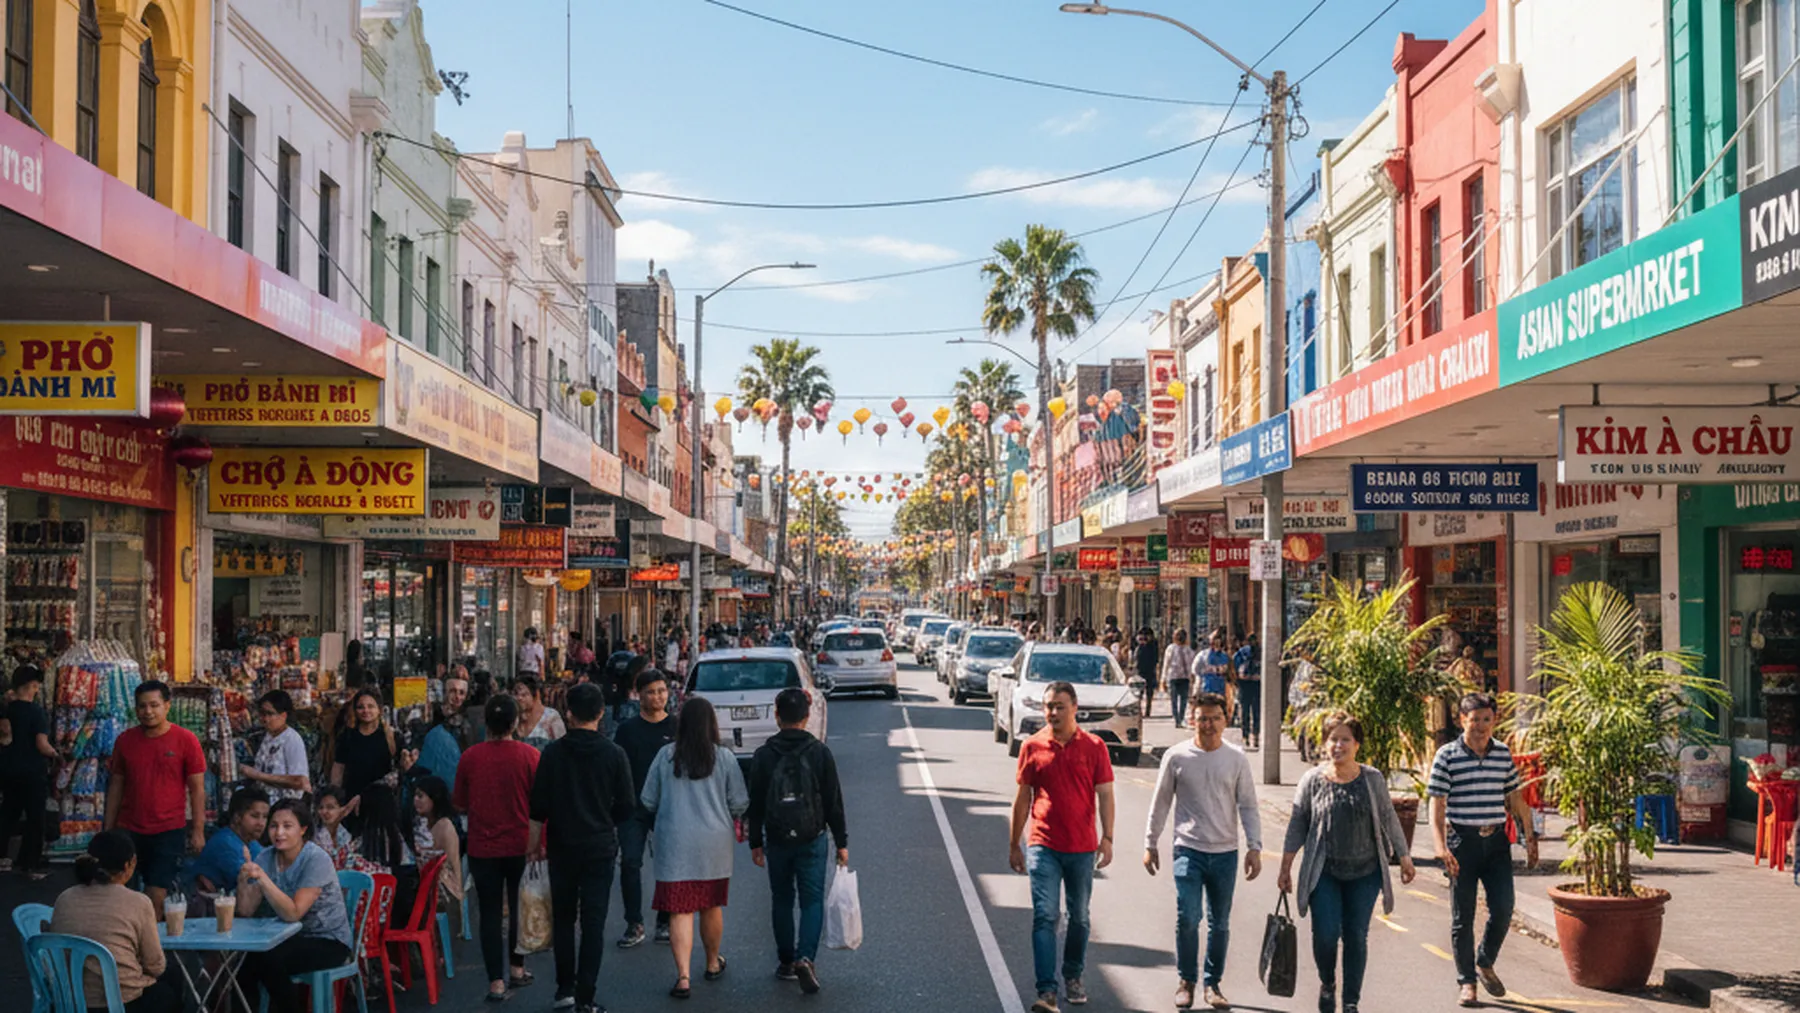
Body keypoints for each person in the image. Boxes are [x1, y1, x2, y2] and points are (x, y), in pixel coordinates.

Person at [1277, 713, 1417, 1013]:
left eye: (1345, 740)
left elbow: (1389, 818)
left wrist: (1404, 857)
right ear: (1325, 744)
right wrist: (1286, 867)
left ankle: (1351, 1001)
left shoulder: (1372, 779)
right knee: (1326, 935)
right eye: (1332, 739)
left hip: (1365, 873)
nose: (1338, 745)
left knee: (1356, 936)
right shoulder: (1312, 780)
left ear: (1357, 745)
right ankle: (1328, 983)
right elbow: (1297, 824)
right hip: (1324, 871)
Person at [1144, 693, 1263, 1009]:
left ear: (1225, 720)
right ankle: (1187, 980)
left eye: (1215, 718)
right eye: (1202, 717)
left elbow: (1248, 804)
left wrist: (1255, 846)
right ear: (1191, 719)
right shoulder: (1177, 756)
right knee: (1188, 916)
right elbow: (1161, 802)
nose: (1208, 724)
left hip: (1226, 852)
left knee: (1220, 922)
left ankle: (1213, 984)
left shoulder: (1236, 758)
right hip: (1188, 850)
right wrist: (1150, 842)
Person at [1010, 680, 1116, 1013]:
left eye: (1059, 706)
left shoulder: (1094, 746)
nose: (1052, 712)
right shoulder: (1032, 746)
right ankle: (1047, 991)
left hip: (1082, 847)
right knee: (1045, 916)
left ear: (1074, 707)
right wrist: (1014, 843)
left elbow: (1106, 795)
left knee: (1080, 917)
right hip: (1043, 844)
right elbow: (1023, 797)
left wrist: (1108, 838)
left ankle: (1073, 975)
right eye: (1048, 706)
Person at [530, 682, 635, 1013]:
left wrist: (533, 846)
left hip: (562, 846)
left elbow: (537, 808)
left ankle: (564, 988)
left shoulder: (552, 754)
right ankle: (586, 997)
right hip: (599, 846)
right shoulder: (614, 754)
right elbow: (627, 807)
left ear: (569, 714)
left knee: (563, 918)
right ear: (601, 713)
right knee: (593, 922)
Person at [1429, 692, 1538, 1008]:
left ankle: (1485, 959)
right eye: (1474, 719)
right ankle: (1467, 982)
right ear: (1462, 720)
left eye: (1486, 720)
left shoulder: (1502, 754)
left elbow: (1515, 798)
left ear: (1494, 721)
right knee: (1463, 917)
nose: (1480, 726)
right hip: (1462, 844)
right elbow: (1436, 807)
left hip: (1497, 844)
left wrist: (1529, 837)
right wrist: (1440, 848)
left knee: (1504, 907)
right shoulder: (1447, 756)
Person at [639, 696, 750, 999]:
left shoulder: (665, 756)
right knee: (710, 905)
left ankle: (683, 977)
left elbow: (647, 800)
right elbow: (739, 802)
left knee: (680, 909)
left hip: (674, 842)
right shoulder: (724, 758)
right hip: (713, 844)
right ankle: (713, 963)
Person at [746, 687, 850, 994]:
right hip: (812, 836)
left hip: (777, 839)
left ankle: (786, 961)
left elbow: (756, 803)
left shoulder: (764, 755)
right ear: (807, 717)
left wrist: (756, 842)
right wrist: (841, 841)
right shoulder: (819, 752)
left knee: (781, 899)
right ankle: (806, 957)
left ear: (777, 716)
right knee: (811, 900)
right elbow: (833, 801)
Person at [454, 694, 541, 1000]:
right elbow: (541, 806)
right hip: (520, 845)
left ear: (486, 724)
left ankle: (495, 982)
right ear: (516, 722)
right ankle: (517, 967)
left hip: (483, 846)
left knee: (490, 913)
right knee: (519, 907)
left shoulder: (470, 758)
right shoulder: (530, 756)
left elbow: (460, 802)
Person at [236, 799, 356, 1013]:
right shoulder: (265, 856)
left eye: (287, 826)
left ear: (303, 829)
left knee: (267, 959)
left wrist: (263, 879)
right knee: (244, 961)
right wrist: (244, 878)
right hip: (287, 938)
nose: (279, 832)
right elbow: (245, 911)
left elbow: (293, 913)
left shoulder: (315, 859)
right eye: (273, 826)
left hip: (328, 940)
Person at [49, 829, 180, 1013]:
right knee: (171, 982)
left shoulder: (65, 898)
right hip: (120, 1004)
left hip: (69, 1002)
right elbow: (155, 966)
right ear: (130, 864)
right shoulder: (139, 902)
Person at [103, 680, 206, 912]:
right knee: (119, 895)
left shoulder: (186, 740)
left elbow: (197, 789)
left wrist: (198, 830)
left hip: (168, 830)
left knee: (156, 897)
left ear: (167, 706)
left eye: (154, 705)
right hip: (128, 828)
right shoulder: (125, 741)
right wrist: (108, 829)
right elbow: (116, 785)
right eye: (142, 706)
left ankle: (152, 946)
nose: (148, 712)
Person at [613, 667, 678, 947]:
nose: (657, 697)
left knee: (668, 865)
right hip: (633, 807)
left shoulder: (676, 727)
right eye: (651, 692)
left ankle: (665, 921)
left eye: (662, 691)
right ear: (638, 695)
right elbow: (617, 768)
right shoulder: (627, 731)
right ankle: (634, 923)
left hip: (669, 807)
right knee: (630, 862)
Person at [0, 665, 57, 878]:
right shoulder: (37, 713)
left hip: (7, 770)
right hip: (32, 772)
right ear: (33, 686)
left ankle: (3, 857)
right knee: (35, 818)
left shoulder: (7, 710)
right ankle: (30, 863)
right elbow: (42, 744)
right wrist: (56, 754)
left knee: (8, 813)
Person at [186, 787, 269, 902]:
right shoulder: (225, 844)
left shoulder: (251, 842)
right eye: (254, 816)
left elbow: (270, 866)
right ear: (237, 817)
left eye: (265, 817)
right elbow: (252, 883)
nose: (261, 823)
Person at [330, 688, 397, 813]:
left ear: (379, 709)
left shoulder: (391, 736)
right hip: (352, 803)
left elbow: (399, 769)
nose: (366, 711)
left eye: (371, 706)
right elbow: (338, 769)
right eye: (361, 707)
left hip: (383, 803)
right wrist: (334, 799)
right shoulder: (347, 736)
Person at [241, 690, 312, 801]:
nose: (265, 719)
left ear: (283, 716)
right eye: (262, 713)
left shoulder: (291, 739)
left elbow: (300, 781)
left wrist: (258, 775)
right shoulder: (268, 736)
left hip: (285, 807)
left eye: (270, 714)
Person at [411, 776, 464, 923]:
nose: (416, 800)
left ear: (435, 798)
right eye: (415, 795)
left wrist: (459, 899)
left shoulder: (445, 826)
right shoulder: (419, 822)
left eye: (420, 796)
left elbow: (455, 865)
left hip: (440, 893)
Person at [1192, 630, 1237, 726]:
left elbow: (1230, 672)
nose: (1216, 643)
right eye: (1214, 640)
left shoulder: (1225, 657)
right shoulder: (1203, 655)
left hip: (1220, 687)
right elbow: (1195, 670)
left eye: (1218, 640)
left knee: (1219, 707)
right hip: (1207, 686)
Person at [512, 676, 567, 751]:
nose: (519, 698)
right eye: (516, 694)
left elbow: (562, 746)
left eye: (524, 695)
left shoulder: (551, 716)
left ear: (536, 695)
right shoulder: (512, 717)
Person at [1161, 630, 1197, 729]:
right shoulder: (1171, 648)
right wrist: (1163, 678)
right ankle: (1177, 719)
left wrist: (1192, 676)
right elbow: (1166, 664)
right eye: (1177, 635)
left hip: (1185, 677)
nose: (1179, 638)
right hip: (1173, 676)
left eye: (1181, 636)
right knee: (1174, 699)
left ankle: (1181, 718)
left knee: (1184, 699)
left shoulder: (1188, 650)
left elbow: (1192, 664)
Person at [312, 786, 354, 863]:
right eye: (321, 808)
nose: (324, 811)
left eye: (330, 807)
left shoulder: (345, 835)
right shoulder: (314, 836)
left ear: (341, 809)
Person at [1234, 634, 1262, 750]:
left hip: (1248, 684)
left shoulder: (1243, 652)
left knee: (1249, 711)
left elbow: (1234, 665)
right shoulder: (1257, 652)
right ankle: (1251, 735)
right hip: (1250, 684)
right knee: (1252, 711)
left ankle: (1249, 735)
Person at [1133, 627, 1161, 719]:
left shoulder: (1153, 646)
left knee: (1149, 693)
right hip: (1140, 672)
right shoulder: (1138, 647)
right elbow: (1135, 659)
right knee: (1139, 693)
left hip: (1150, 671)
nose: (1143, 639)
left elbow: (1156, 659)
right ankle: (1139, 711)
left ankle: (1147, 711)